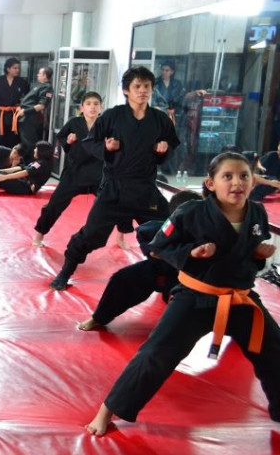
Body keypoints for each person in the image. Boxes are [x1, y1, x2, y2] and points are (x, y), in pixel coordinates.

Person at [86, 152, 280, 436]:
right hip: (196, 296)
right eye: (227, 176)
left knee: (274, 349)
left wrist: (258, 255)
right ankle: (107, 410)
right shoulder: (190, 212)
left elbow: (248, 258)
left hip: (240, 297)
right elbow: (158, 246)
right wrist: (191, 252)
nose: (237, 182)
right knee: (157, 353)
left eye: (244, 176)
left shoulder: (257, 214)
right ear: (211, 183)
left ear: (253, 182)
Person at [50, 67, 179, 291]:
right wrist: (107, 148)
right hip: (114, 188)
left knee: (168, 232)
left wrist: (163, 150)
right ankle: (66, 270)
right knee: (91, 235)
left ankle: (169, 280)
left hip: (145, 189)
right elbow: (90, 142)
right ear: (126, 90)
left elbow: (171, 146)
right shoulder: (112, 116)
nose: (142, 91)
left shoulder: (160, 119)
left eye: (146, 86)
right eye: (137, 86)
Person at [77, 190, 202, 331]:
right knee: (122, 278)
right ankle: (99, 318)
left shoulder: (209, 232)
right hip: (164, 272)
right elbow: (153, 252)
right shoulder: (157, 230)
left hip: (194, 280)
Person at [33, 92, 132, 248]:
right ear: (82, 108)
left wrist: (114, 146)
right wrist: (69, 141)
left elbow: (119, 146)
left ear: (101, 107)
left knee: (119, 200)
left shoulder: (107, 125)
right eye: (88, 104)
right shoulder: (74, 123)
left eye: (96, 104)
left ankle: (121, 236)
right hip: (75, 172)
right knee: (55, 203)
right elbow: (62, 138)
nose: (92, 107)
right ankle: (39, 234)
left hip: (100, 173)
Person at [0, 57, 30, 147]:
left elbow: (28, 97)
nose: (17, 70)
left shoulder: (22, 82)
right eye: (15, 68)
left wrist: (23, 107)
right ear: (8, 69)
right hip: (1, 113)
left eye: (18, 68)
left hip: (15, 113)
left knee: (13, 137)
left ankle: (12, 154)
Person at [17, 67, 54, 154]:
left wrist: (25, 111)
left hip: (30, 119)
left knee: (29, 144)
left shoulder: (47, 88)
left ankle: (31, 161)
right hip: (24, 118)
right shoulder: (39, 86)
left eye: (39, 73)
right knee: (24, 142)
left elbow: (41, 106)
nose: (37, 75)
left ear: (45, 75)